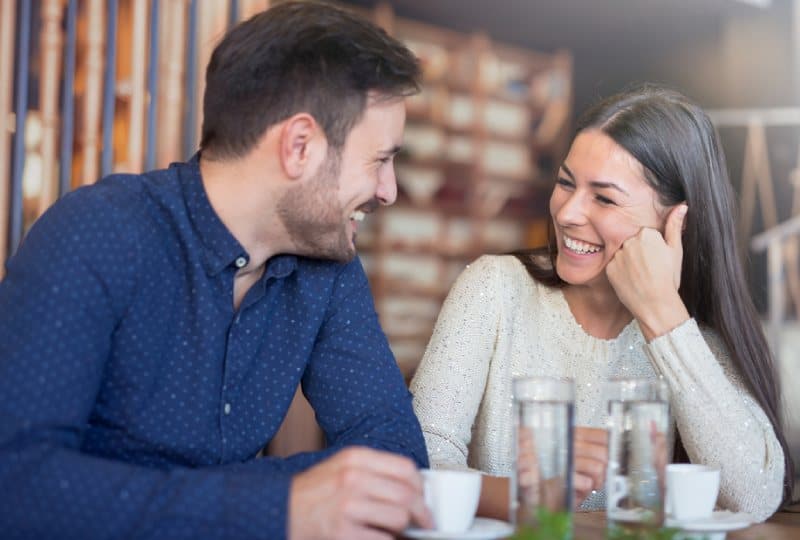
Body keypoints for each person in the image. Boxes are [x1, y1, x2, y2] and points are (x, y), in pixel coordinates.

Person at [0, 2, 434, 539]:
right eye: (380, 160)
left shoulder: (329, 269)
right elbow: (17, 484)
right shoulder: (97, 234)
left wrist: (268, 500)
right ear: (299, 147)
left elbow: (395, 453)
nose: (389, 191)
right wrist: (280, 504)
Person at [410, 84, 794, 523]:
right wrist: (529, 494)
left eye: (605, 198)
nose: (568, 213)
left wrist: (663, 318)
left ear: (675, 223)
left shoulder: (697, 338)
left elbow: (756, 496)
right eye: (565, 183)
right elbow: (418, 458)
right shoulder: (495, 289)